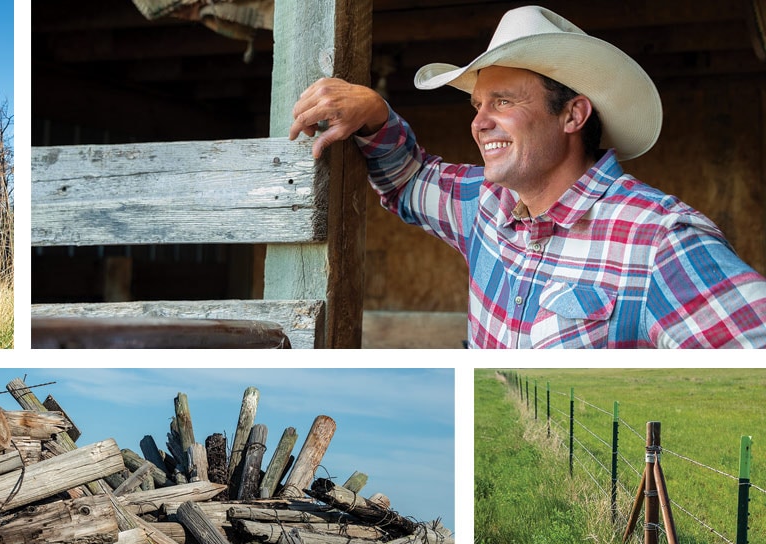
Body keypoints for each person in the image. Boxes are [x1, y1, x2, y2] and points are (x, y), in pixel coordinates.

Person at [287, 5, 766, 348]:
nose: (479, 122)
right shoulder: (486, 203)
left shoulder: (657, 240)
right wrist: (374, 113)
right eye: (478, 105)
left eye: (503, 102)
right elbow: (409, 178)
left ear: (573, 115)